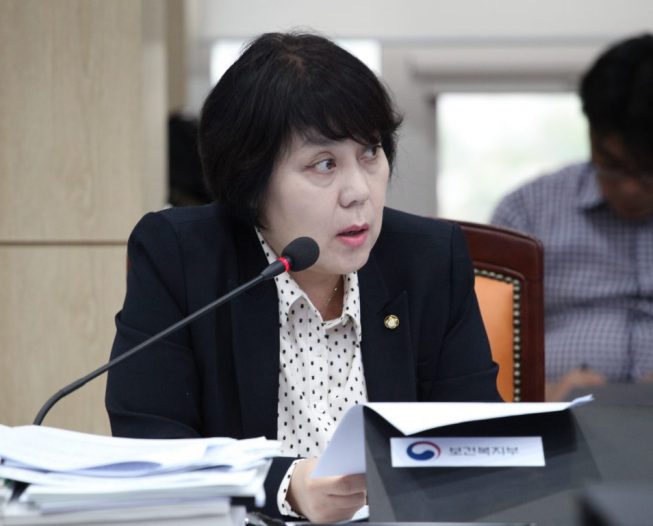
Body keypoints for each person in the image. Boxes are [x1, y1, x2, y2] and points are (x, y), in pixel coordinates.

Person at [106, 31, 500, 523]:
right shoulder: (181, 258)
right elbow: (151, 445)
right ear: (251, 181)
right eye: (324, 164)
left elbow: (477, 444)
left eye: (370, 152)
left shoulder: (428, 259)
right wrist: (285, 485)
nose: (358, 191)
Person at [491, 33, 653, 402]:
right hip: (553, 419)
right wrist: (538, 398)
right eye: (612, 165)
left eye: (647, 171)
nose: (630, 189)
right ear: (590, 131)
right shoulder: (527, 212)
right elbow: (476, 348)